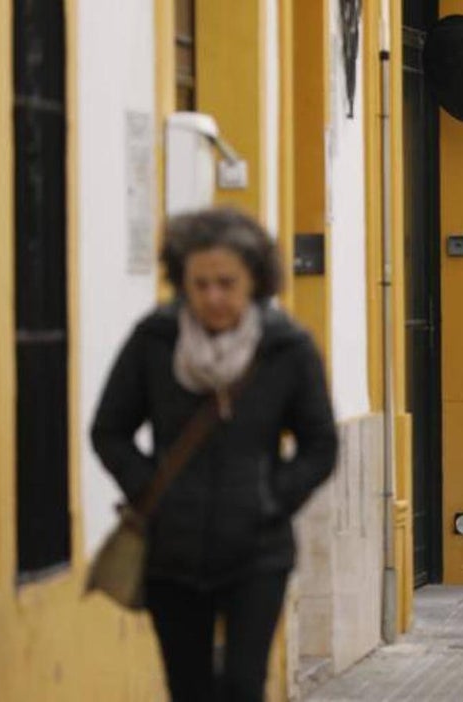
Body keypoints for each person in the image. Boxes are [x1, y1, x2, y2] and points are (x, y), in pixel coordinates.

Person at [91, 208, 338, 701]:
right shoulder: (155, 341)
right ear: (182, 281)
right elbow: (110, 430)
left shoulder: (286, 348)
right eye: (200, 284)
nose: (213, 297)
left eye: (227, 283)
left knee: (244, 685)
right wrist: (152, 492)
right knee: (189, 690)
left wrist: (271, 498)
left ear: (254, 281)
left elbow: (320, 444)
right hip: (171, 553)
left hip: (257, 552)